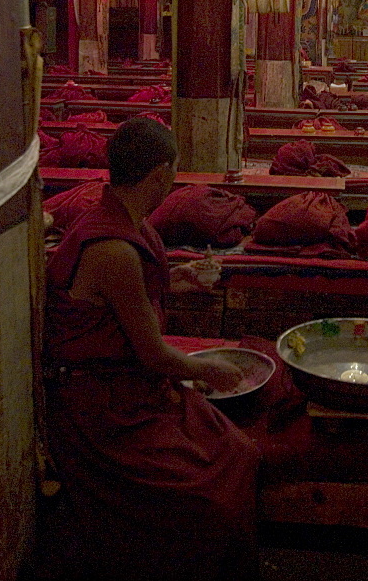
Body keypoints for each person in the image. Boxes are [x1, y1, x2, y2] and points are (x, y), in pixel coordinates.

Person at [41, 117, 259, 581]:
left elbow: (125, 301)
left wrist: (176, 279)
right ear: (160, 174)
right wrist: (214, 370)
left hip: (127, 386)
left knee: (235, 447)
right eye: (174, 173)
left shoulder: (125, 219)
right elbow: (154, 355)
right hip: (103, 410)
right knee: (211, 494)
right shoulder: (113, 248)